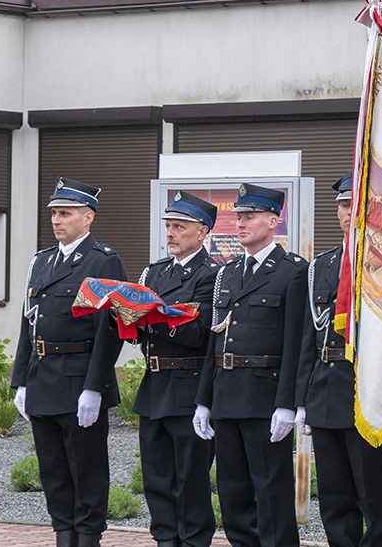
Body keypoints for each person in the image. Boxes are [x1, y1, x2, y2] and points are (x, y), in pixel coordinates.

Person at [294, 173, 382, 547]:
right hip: (325, 392)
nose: (348, 211)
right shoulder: (321, 266)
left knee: (375, 500)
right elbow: (309, 338)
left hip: (369, 392)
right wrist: (302, 399)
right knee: (334, 502)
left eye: (357, 204)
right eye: (343, 204)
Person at [11, 177, 127, 547]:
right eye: (54, 214)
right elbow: (29, 323)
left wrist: (95, 387)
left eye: (65, 213)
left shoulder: (102, 261)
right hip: (43, 380)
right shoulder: (42, 262)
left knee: (87, 473)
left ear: (87, 217)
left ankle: (88, 539)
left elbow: (110, 331)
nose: (56, 220)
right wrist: (21, 381)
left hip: (79, 382)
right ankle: (64, 537)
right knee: (54, 473)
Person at [192, 183, 308, 547]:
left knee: (271, 492)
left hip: (265, 396)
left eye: (249, 217)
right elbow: (216, 338)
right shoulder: (226, 273)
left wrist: (288, 403)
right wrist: (204, 399)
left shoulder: (293, 271)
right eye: (238, 217)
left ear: (273, 221)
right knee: (232, 492)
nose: (240, 223)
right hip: (227, 395)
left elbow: (297, 344)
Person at [133, 191, 221, 547]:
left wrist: (151, 314)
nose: (171, 233)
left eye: (179, 227)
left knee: (191, 479)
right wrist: (124, 313)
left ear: (202, 232)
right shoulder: (154, 272)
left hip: (189, 387)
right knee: (156, 479)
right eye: (168, 226)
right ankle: (165, 540)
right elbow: (141, 326)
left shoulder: (212, 274)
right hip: (155, 386)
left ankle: (195, 541)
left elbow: (198, 332)